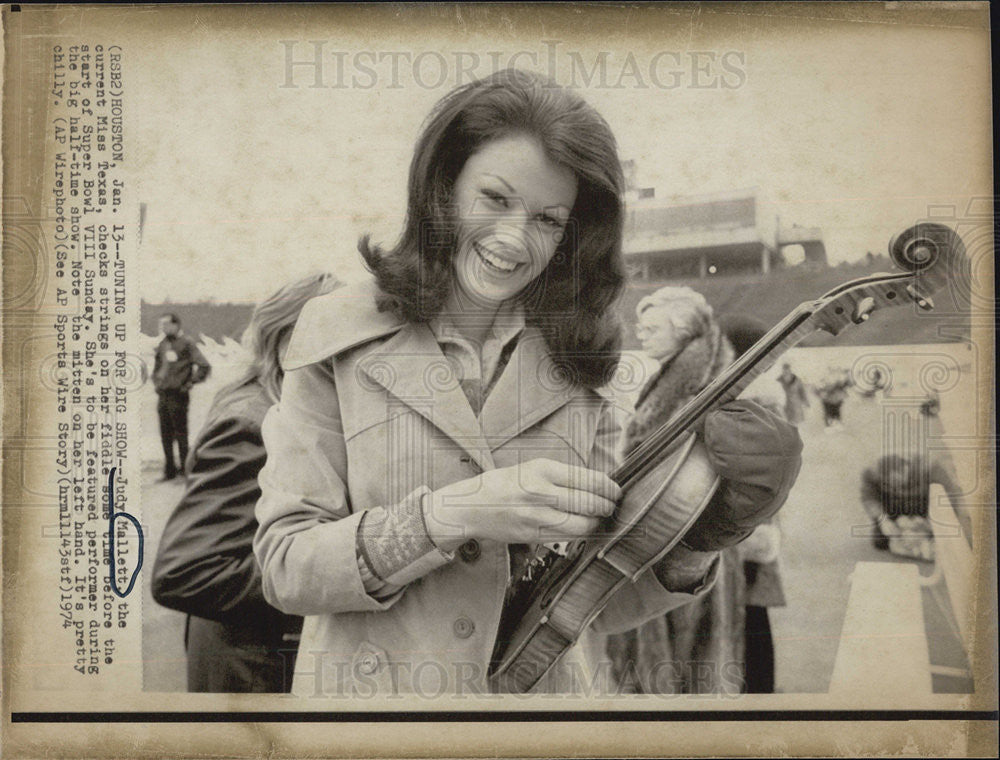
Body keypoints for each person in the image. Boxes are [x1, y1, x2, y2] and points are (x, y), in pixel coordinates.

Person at [253, 69, 803, 697]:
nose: (515, 239)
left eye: (548, 218)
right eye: (494, 198)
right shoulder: (336, 331)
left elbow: (594, 601)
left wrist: (706, 540)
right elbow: (286, 568)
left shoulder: (586, 357)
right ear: (442, 189)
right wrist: (450, 516)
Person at [152, 273, 338, 692]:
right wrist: (328, 573)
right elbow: (187, 571)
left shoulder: (274, 401)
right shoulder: (254, 422)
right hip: (250, 665)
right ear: (291, 339)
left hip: (247, 655)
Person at [859, 452, 967, 561]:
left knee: (947, 541)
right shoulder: (871, 473)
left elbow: (949, 500)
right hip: (895, 509)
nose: (897, 488)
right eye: (889, 484)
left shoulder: (930, 468)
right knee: (880, 541)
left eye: (897, 482)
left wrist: (929, 523)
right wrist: (883, 520)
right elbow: (869, 499)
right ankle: (913, 541)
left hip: (924, 509)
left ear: (906, 468)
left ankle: (927, 541)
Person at [152, 313, 212, 480]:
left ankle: (186, 471)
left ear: (176, 325)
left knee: (180, 434)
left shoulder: (187, 343)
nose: (162, 328)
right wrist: (156, 382)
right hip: (163, 395)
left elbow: (204, 366)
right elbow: (158, 367)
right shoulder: (162, 344)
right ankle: (169, 471)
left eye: (165, 325)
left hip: (178, 395)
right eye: (161, 325)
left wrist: (189, 383)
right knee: (165, 434)